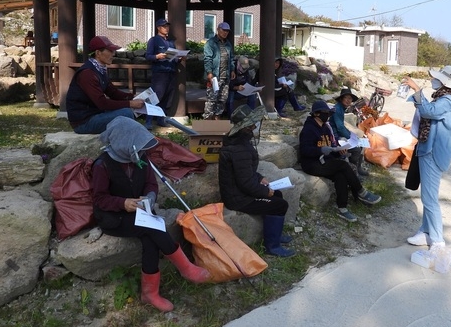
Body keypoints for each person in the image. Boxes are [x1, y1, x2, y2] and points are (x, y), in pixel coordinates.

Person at [92, 117, 210, 312]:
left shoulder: (140, 157)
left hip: (140, 211)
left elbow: (151, 184)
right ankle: (186, 268)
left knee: (150, 238)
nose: (142, 151)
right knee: (153, 228)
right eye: (138, 146)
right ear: (123, 143)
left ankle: (149, 293)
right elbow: (100, 199)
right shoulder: (102, 165)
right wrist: (123, 203)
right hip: (114, 216)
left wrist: (151, 197)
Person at [218, 105, 295, 257]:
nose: (255, 126)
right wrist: (265, 191)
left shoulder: (239, 142)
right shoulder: (238, 149)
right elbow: (245, 183)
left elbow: (245, 172)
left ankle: (275, 235)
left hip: (240, 191)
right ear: (244, 127)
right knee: (280, 205)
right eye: (251, 124)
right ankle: (272, 247)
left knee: (277, 196)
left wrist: (260, 178)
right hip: (238, 199)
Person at [402, 66, 451, 251]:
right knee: (427, 196)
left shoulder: (448, 100)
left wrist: (416, 90)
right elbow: (429, 109)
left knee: (429, 199)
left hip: (432, 153)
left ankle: (437, 241)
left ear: (445, 82)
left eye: (436, 78)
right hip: (426, 149)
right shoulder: (443, 98)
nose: (432, 80)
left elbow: (429, 112)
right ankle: (425, 231)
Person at [299, 100, 381, 222]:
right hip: (312, 164)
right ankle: (361, 192)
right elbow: (305, 150)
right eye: (325, 112)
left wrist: (339, 150)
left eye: (328, 113)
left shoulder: (325, 128)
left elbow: (332, 145)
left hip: (325, 161)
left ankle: (342, 208)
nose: (327, 115)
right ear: (316, 114)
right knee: (342, 165)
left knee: (340, 175)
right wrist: (320, 150)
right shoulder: (308, 129)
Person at [66, 36, 145, 134]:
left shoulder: (99, 70)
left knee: (127, 111)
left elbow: (113, 93)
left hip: (96, 114)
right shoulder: (87, 74)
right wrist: (130, 103)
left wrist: (133, 97)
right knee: (126, 112)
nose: (113, 54)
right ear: (98, 53)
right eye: (110, 51)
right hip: (83, 122)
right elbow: (102, 103)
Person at [145, 18, 179, 128]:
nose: (167, 28)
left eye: (167, 26)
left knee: (167, 97)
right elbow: (148, 56)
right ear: (158, 28)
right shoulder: (154, 40)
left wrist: (180, 58)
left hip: (171, 72)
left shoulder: (171, 42)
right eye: (164, 26)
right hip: (159, 73)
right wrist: (157, 56)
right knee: (156, 97)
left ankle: (161, 119)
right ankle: (148, 121)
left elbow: (173, 56)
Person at [329, 88, 369, 176]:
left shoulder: (341, 108)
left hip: (339, 134)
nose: (348, 100)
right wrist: (350, 136)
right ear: (341, 99)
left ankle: (359, 168)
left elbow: (342, 127)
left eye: (350, 98)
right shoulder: (337, 109)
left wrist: (352, 135)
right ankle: (354, 171)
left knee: (363, 142)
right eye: (346, 98)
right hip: (336, 137)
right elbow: (340, 128)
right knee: (357, 149)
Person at [203, 22, 235, 119]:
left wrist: (232, 70)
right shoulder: (211, 43)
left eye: (227, 31)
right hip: (215, 76)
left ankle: (217, 117)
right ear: (218, 29)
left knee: (222, 99)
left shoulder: (228, 44)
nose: (225, 33)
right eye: (223, 30)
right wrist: (209, 72)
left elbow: (231, 59)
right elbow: (207, 59)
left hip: (226, 76)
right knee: (212, 99)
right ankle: (208, 118)